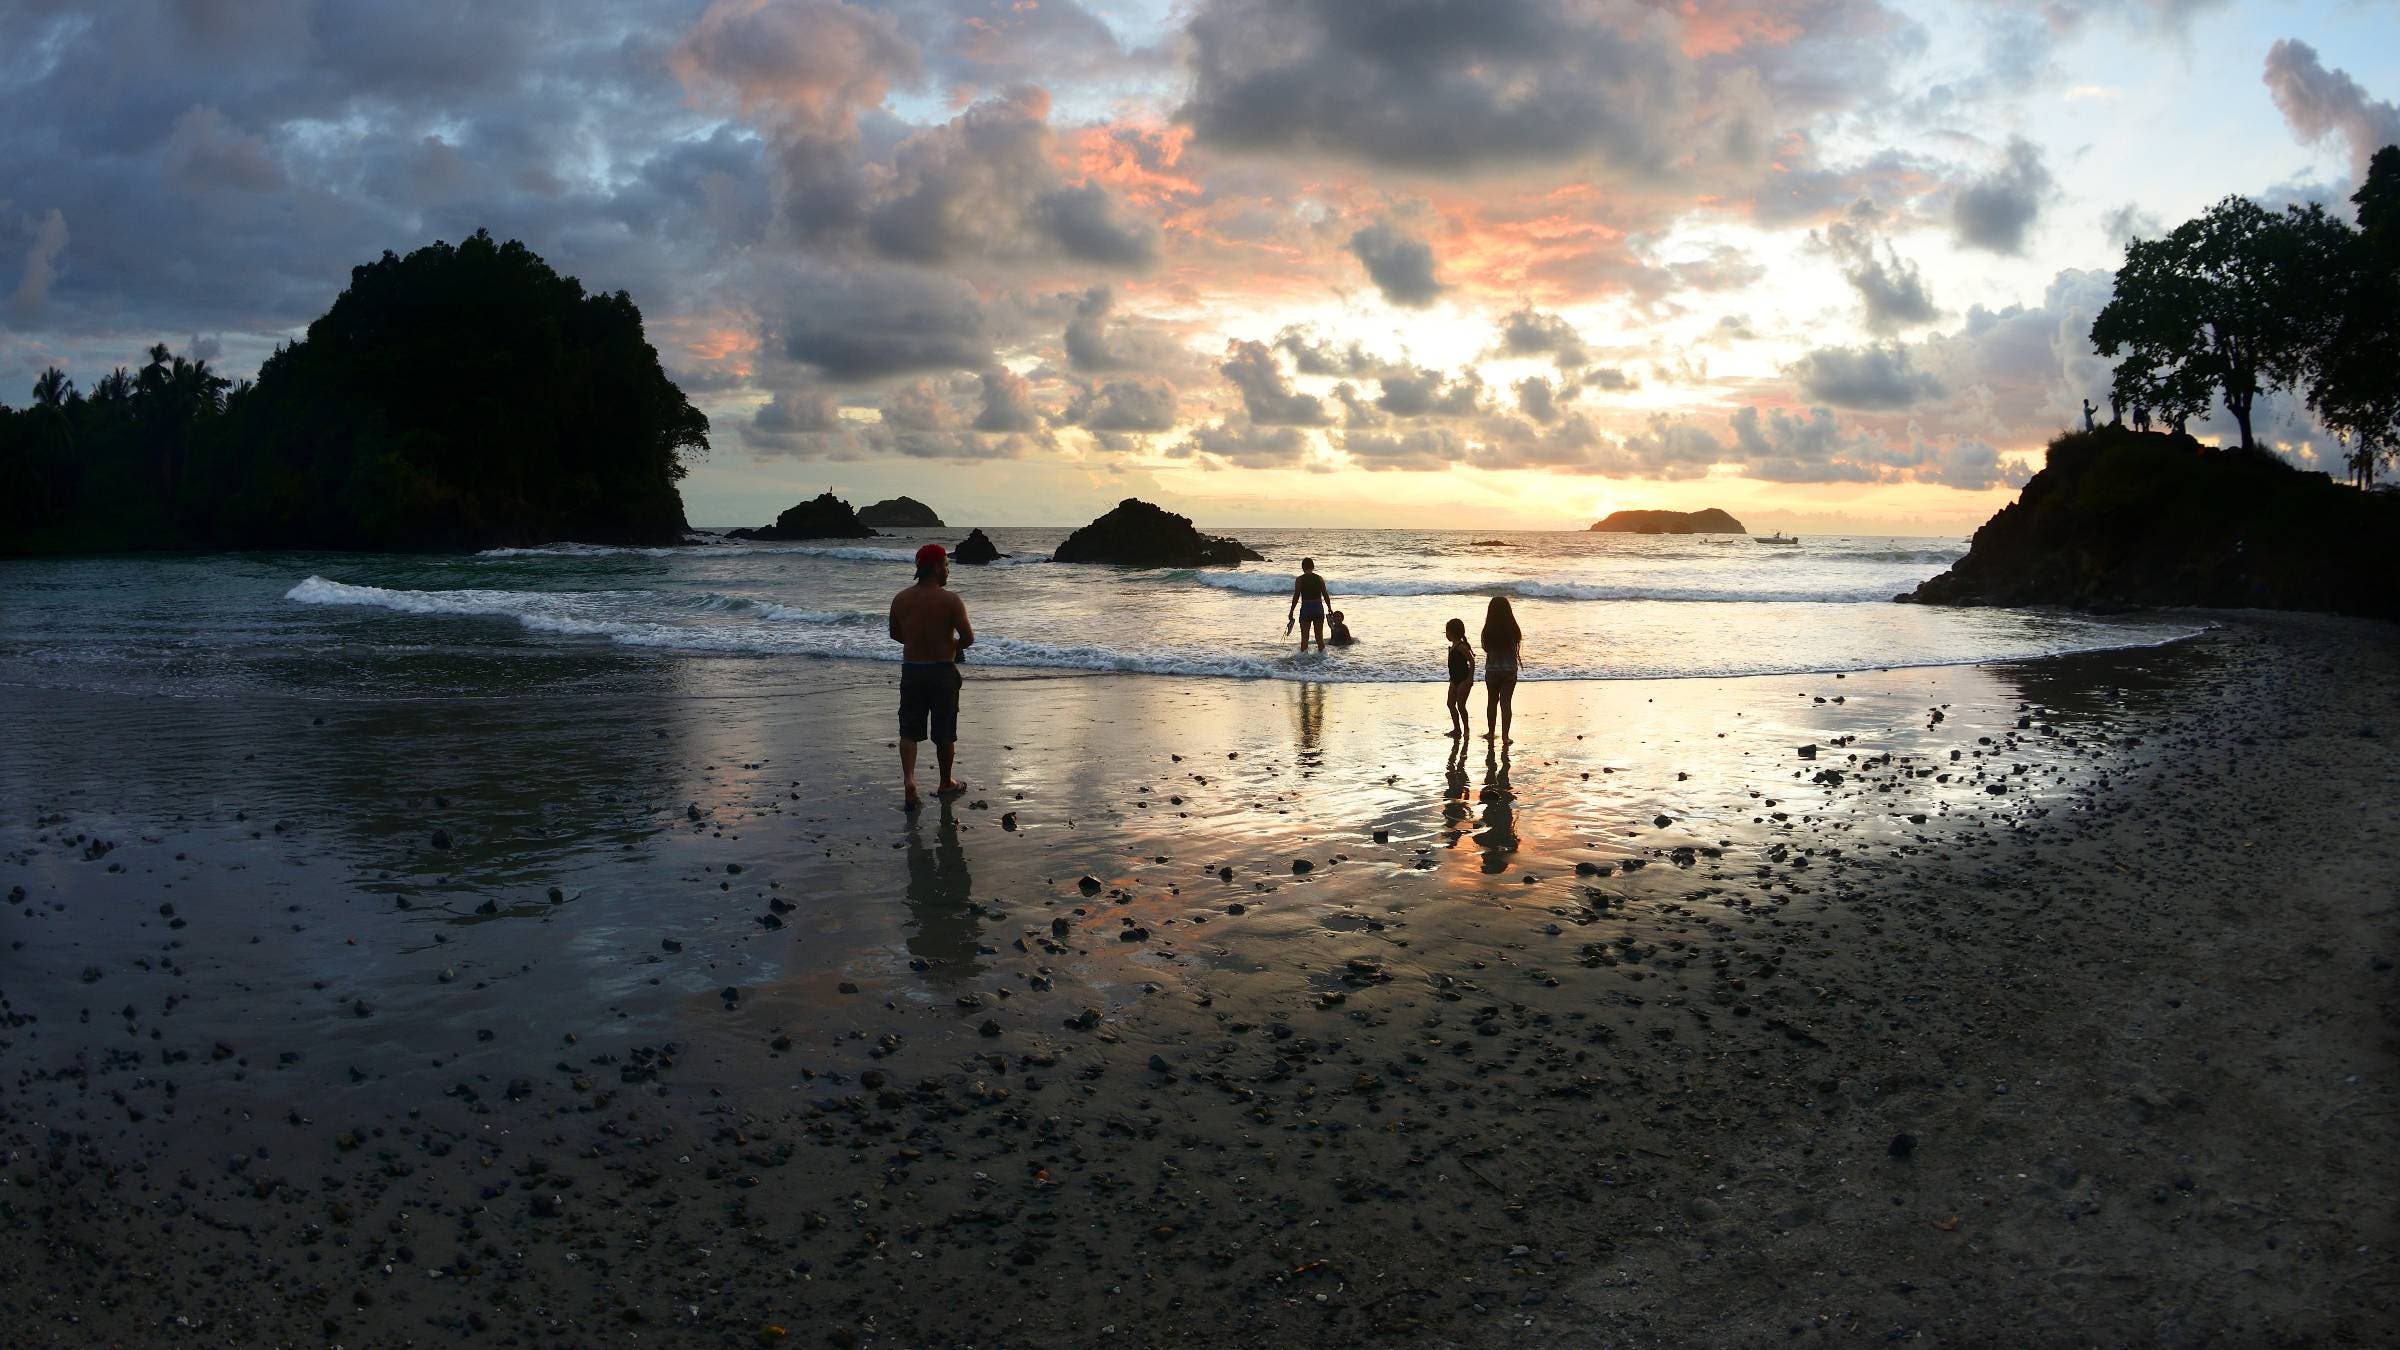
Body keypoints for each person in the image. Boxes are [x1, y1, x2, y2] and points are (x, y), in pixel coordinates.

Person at [889, 542, 974, 810]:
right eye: (947, 565)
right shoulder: (951, 600)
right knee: (944, 732)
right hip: (942, 672)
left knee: (909, 731)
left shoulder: (901, 598)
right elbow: (968, 638)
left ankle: (910, 781)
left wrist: (917, 641)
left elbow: (895, 634)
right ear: (937, 567)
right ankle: (945, 781)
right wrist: (952, 645)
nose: (948, 570)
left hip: (912, 670)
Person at [1480, 596, 1520, 743]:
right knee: (1506, 703)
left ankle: (1491, 732)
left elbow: (1485, 647)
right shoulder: (1513, 629)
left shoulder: (1488, 629)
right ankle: (1505, 736)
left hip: (1492, 670)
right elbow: (1516, 643)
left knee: (1492, 701)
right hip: (1509, 669)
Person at [1286, 557, 1331, 651]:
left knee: (1304, 639)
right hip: (1318, 608)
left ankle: (1304, 664)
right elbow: (1325, 595)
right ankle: (1324, 663)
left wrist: (1291, 611)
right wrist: (1329, 608)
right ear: (1313, 567)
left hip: (1306, 609)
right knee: (1319, 638)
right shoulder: (1319, 578)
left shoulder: (1300, 579)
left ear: (1303, 567)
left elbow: (1296, 596)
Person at [1443, 617, 1474, 739]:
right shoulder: (1452, 647)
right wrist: (1451, 680)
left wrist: (1470, 679)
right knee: (1450, 704)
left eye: (1447, 632)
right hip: (1454, 680)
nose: (1446, 634)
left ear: (1453, 632)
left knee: (1461, 705)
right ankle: (1457, 728)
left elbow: (1472, 661)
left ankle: (1466, 728)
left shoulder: (1461, 647)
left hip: (1463, 680)